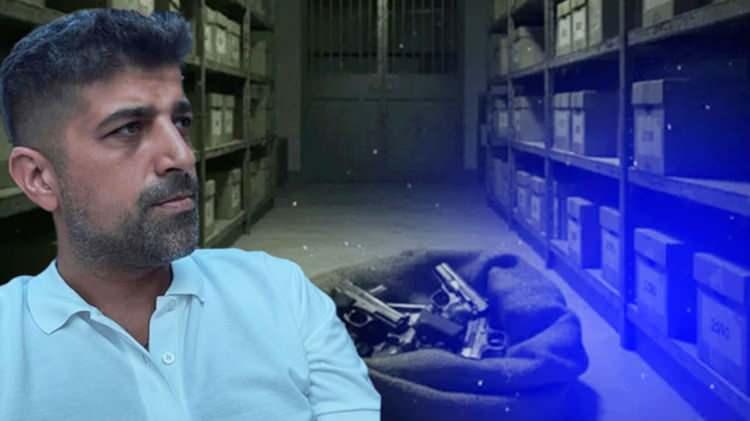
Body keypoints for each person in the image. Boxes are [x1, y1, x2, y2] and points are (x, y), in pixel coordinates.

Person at [0, 8, 380, 421]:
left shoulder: (283, 294)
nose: (183, 156)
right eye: (128, 129)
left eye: (181, 122)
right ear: (39, 178)